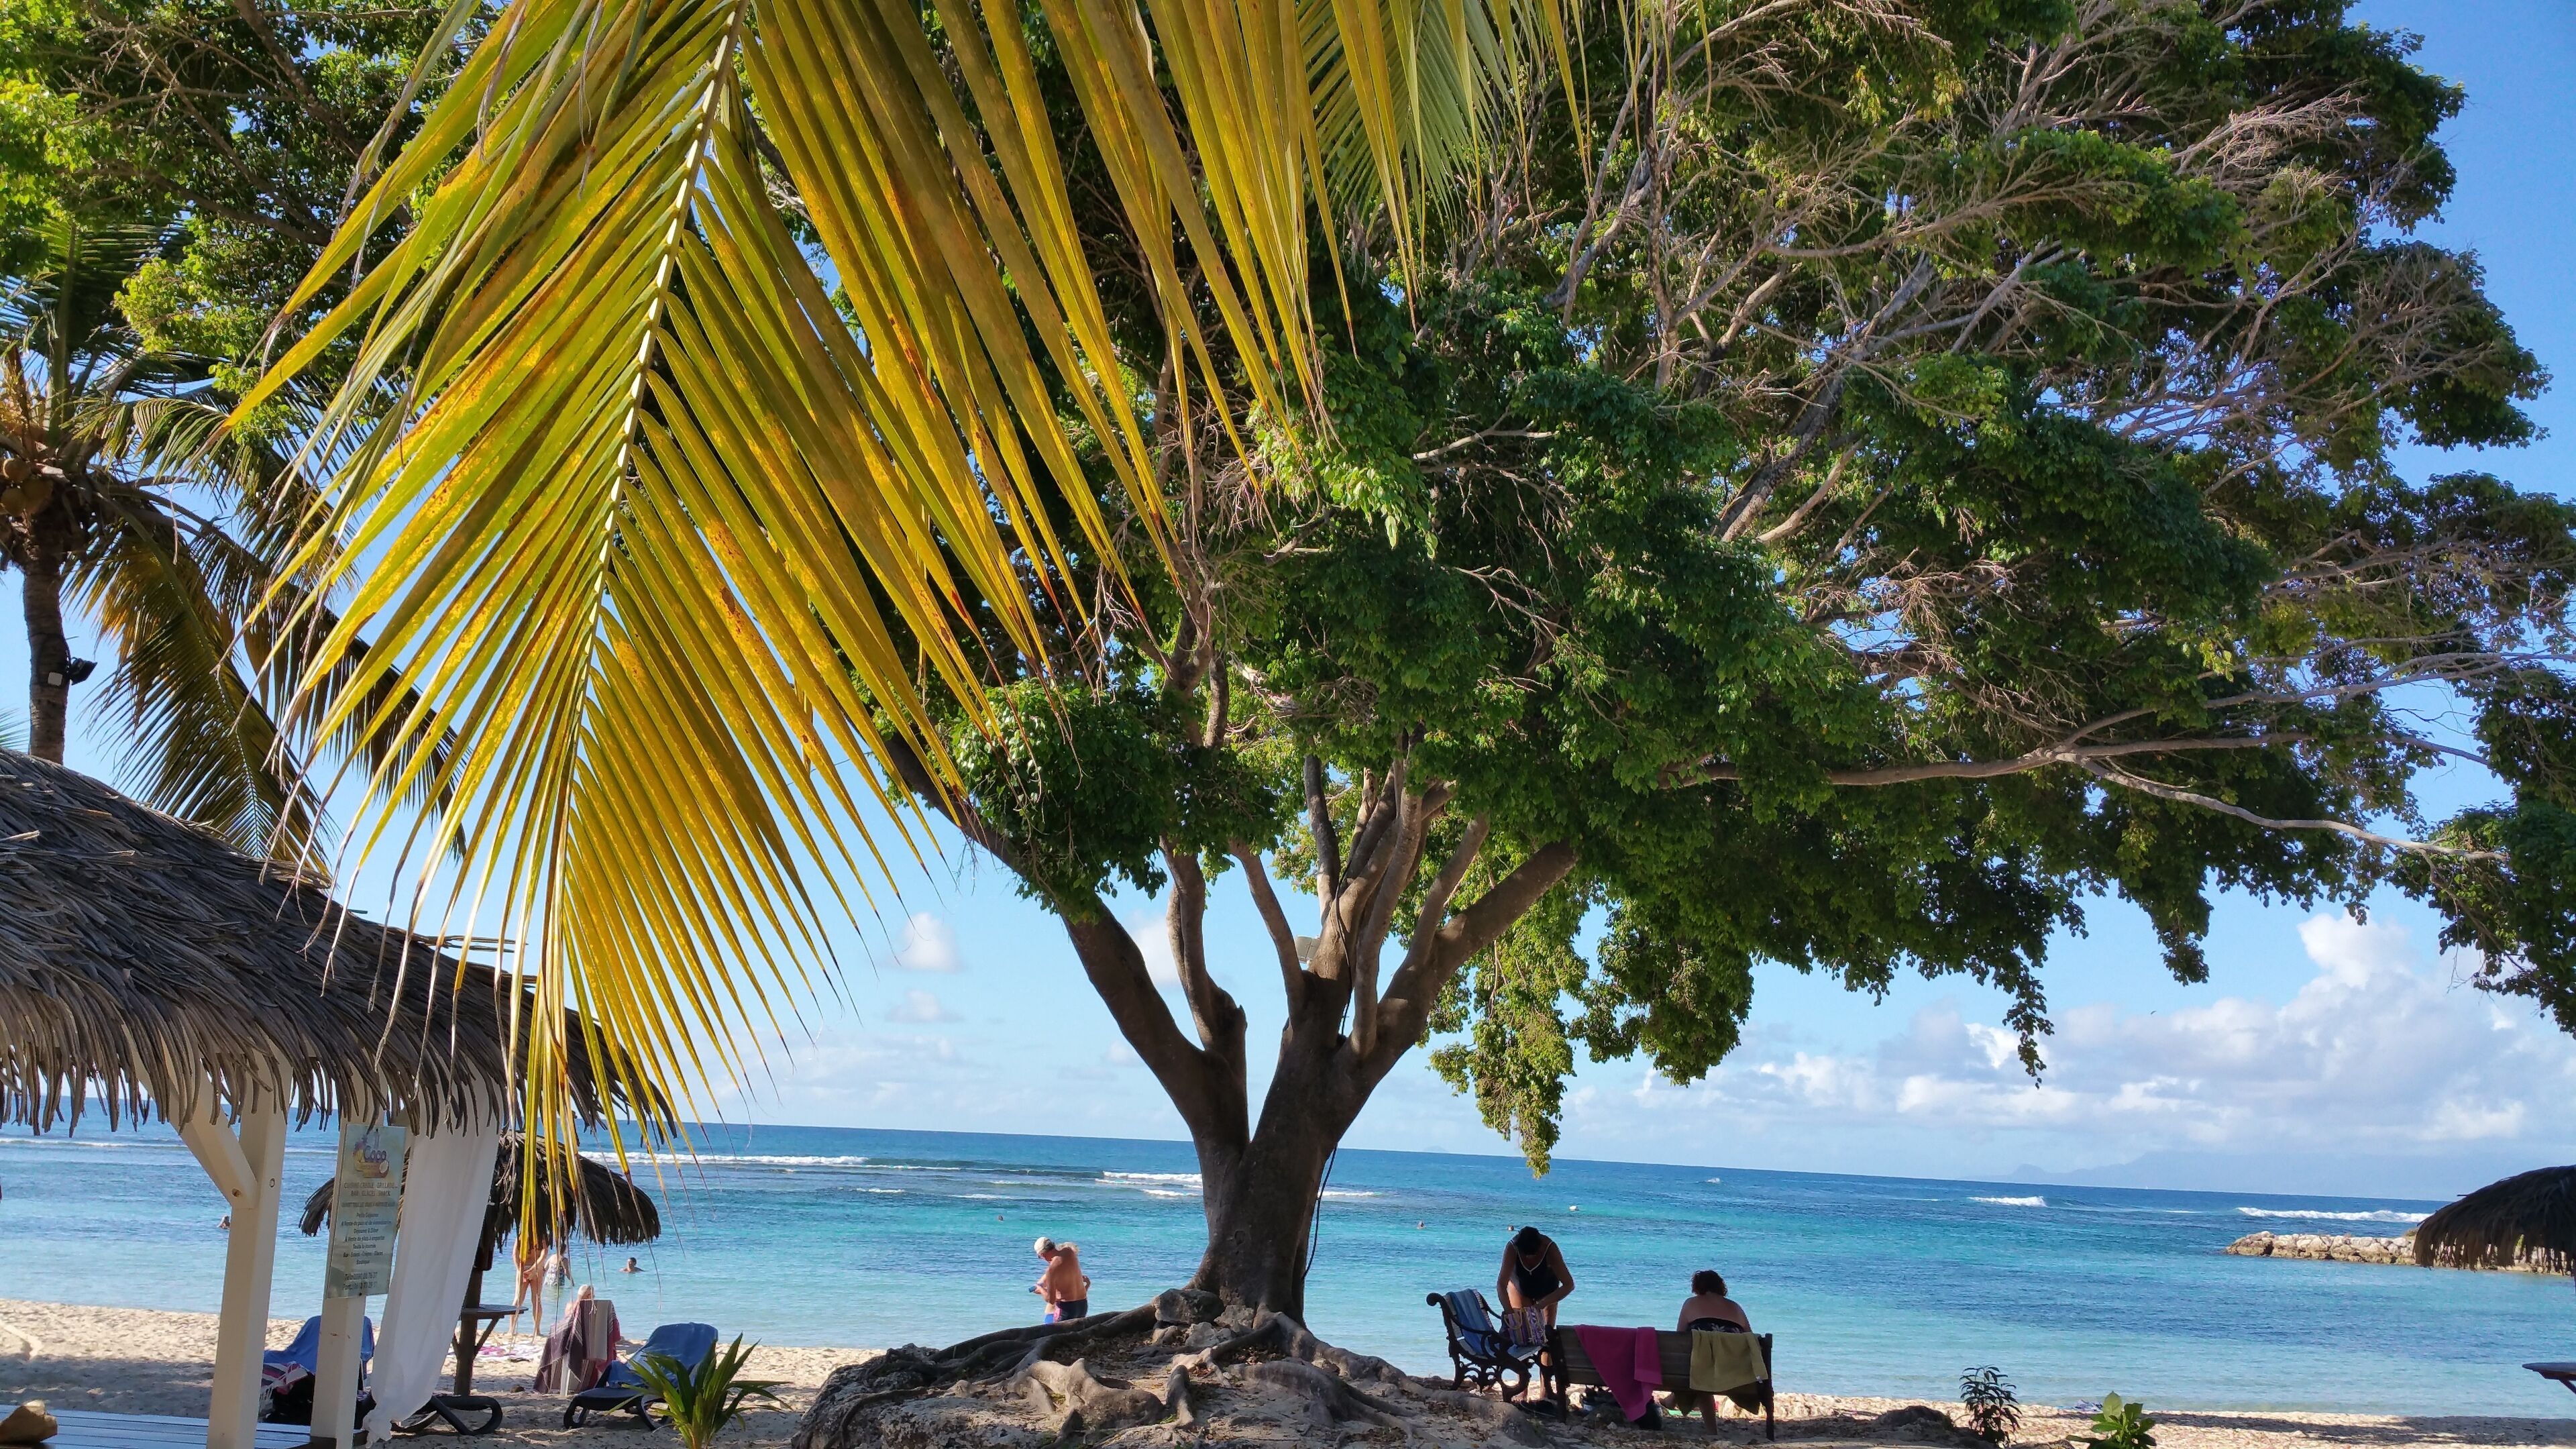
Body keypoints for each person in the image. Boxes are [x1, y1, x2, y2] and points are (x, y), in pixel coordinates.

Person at [1671, 1270, 1758, 1434]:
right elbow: (1751, 1339)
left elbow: (1678, 1338)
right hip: (1736, 1372)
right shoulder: (1736, 1307)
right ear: (1721, 1286)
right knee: (1704, 1369)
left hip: (1701, 1371)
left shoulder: (1691, 1304)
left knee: (1702, 1370)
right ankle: (1671, 1401)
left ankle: (1711, 1430)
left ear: (1697, 1287)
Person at [1495, 1225, 1572, 1403]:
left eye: (1533, 1254)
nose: (1529, 1258)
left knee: (1546, 1337)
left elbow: (1569, 1284)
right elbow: (1501, 1284)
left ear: (1540, 1247)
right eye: (1525, 1255)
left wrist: (1543, 1304)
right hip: (1519, 1288)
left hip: (1547, 1290)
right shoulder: (1512, 1247)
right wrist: (1509, 1313)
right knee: (1522, 1337)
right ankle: (1522, 1388)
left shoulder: (1550, 1247)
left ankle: (1546, 1389)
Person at [1032, 1237, 1091, 1323]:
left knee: (1056, 1335)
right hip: (1082, 1305)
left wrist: (1040, 1289)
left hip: (1066, 1309)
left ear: (1042, 1255)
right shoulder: (1069, 1252)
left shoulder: (1051, 1270)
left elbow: (1051, 1300)